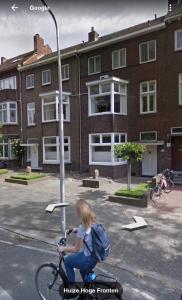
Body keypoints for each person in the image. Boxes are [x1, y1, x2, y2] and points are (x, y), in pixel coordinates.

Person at [58, 199, 97, 283]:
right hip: (95, 257)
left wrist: (63, 248)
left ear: (79, 212)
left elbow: (77, 249)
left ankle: (71, 289)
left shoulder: (82, 227)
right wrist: (76, 229)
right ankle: (88, 292)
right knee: (82, 270)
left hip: (88, 259)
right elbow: (87, 231)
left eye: (76, 209)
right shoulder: (92, 221)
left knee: (68, 261)